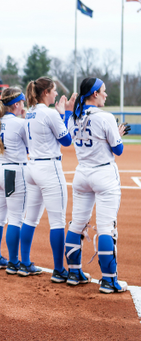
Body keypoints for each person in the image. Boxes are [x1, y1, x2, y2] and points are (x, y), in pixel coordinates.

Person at [66, 77, 130, 293]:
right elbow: (118, 150)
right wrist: (117, 136)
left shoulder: (73, 116)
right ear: (94, 94)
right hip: (103, 174)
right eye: (103, 91)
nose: (106, 94)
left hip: (82, 173)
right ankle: (109, 280)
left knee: (77, 224)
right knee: (106, 228)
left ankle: (73, 272)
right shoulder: (106, 117)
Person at [20, 77, 75, 282]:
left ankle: (25, 263)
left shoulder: (31, 112)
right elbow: (67, 140)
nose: (55, 94)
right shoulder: (48, 112)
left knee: (30, 218)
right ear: (45, 93)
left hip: (32, 166)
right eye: (53, 91)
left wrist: (60, 113)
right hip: (49, 167)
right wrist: (67, 112)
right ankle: (59, 269)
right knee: (57, 221)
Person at [0, 88, 29, 274]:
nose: (24, 105)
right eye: (22, 102)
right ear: (16, 104)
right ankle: (13, 262)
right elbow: (31, 147)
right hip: (13, 171)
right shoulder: (20, 124)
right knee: (15, 219)